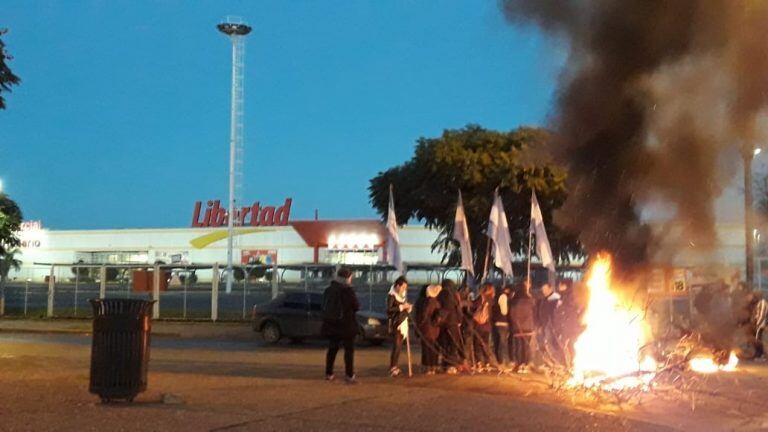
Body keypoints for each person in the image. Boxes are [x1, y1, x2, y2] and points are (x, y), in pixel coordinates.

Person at [321, 267, 360, 384]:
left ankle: (329, 373)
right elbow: (356, 306)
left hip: (331, 324)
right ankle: (349, 375)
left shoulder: (328, 290)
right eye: (350, 278)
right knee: (349, 351)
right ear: (347, 278)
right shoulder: (347, 290)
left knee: (332, 349)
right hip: (346, 325)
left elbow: (323, 306)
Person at [386, 276, 411, 377]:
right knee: (396, 346)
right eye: (403, 287)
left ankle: (395, 366)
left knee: (399, 346)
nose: (404, 289)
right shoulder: (391, 296)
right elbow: (389, 310)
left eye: (405, 288)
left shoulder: (402, 295)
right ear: (397, 286)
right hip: (396, 323)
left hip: (403, 321)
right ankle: (392, 367)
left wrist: (407, 308)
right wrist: (401, 307)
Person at [437, 279, 464, 374]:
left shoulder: (442, 294)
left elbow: (443, 308)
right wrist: (460, 320)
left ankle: (445, 365)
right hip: (453, 323)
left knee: (445, 345)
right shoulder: (455, 294)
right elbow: (458, 309)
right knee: (453, 346)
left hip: (444, 323)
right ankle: (450, 366)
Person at [510, 282, 536, 373]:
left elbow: (511, 315)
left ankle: (518, 364)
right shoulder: (530, 300)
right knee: (526, 346)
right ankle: (525, 364)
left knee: (518, 347)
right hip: (528, 327)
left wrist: (515, 323)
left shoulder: (513, 301)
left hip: (517, 327)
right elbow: (534, 313)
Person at [416, 284, 443, 374]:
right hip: (435, 329)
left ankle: (428, 367)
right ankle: (434, 366)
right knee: (433, 348)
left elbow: (423, 316)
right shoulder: (437, 302)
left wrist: (418, 326)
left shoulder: (426, 302)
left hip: (427, 328)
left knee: (426, 348)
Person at [535, 282, 563, 366]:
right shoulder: (544, 299)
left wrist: (553, 324)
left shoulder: (556, 298)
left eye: (545, 289)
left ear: (550, 288)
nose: (544, 291)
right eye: (543, 290)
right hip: (543, 325)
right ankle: (549, 362)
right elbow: (540, 312)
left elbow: (555, 313)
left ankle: (556, 362)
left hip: (551, 325)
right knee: (543, 344)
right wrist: (539, 324)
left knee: (550, 343)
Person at [472, 283, 495, 371]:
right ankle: (487, 362)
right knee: (485, 344)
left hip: (479, 325)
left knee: (477, 344)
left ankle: (479, 363)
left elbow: (473, 306)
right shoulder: (492, 299)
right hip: (487, 325)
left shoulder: (481, 298)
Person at [492, 285, 512, 368]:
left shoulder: (495, 297)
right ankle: (504, 361)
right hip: (503, 322)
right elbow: (504, 311)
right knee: (503, 343)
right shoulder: (503, 296)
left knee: (497, 343)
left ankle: (499, 360)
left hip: (495, 322)